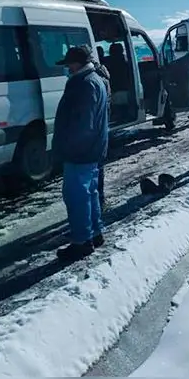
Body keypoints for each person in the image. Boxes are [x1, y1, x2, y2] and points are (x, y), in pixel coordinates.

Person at [52, 46, 110, 262]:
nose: (67, 67)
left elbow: (83, 124)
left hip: (81, 152)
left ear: (76, 63)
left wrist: (68, 149)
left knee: (76, 196)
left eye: (68, 64)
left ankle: (81, 241)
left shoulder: (83, 84)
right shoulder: (95, 80)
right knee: (90, 193)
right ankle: (95, 233)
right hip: (92, 150)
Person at [90, 47, 113, 209]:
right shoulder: (103, 77)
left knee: (95, 167)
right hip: (101, 128)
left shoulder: (95, 81)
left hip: (95, 131)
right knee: (98, 166)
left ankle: (98, 202)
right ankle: (99, 201)